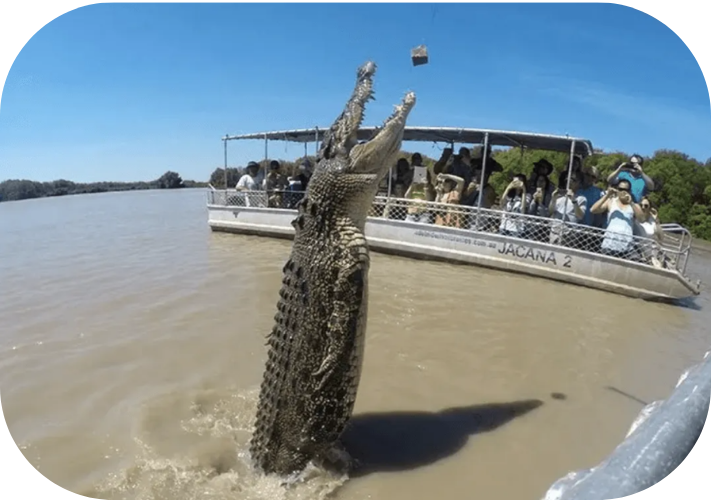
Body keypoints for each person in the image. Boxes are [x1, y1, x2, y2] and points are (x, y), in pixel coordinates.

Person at [590, 179, 645, 259]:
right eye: (620, 189)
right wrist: (607, 195)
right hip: (609, 244)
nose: (623, 192)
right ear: (617, 189)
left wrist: (631, 203)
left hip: (626, 246)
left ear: (629, 191)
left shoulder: (634, 205)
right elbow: (593, 210)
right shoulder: (611, 202)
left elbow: (642, 219)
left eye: (626, 190)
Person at [548, 172, 587, 247]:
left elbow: (580, 216)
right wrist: (553, 199)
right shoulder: (559, 196)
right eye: (568, 179)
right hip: (555, 232)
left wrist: (574, 200)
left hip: (569, 235)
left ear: (578, 183)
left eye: (573, 179)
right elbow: (550, 211)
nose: (569, 181)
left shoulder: (581, 199)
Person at [636, 196, 664, 268]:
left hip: (649, 252)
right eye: (641, 205)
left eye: (646, 206)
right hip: (636, 250)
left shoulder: (652, 220)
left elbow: (661, 238)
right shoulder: (635, 217)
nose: (643, 207)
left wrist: (656, 220)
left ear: (650, 208)